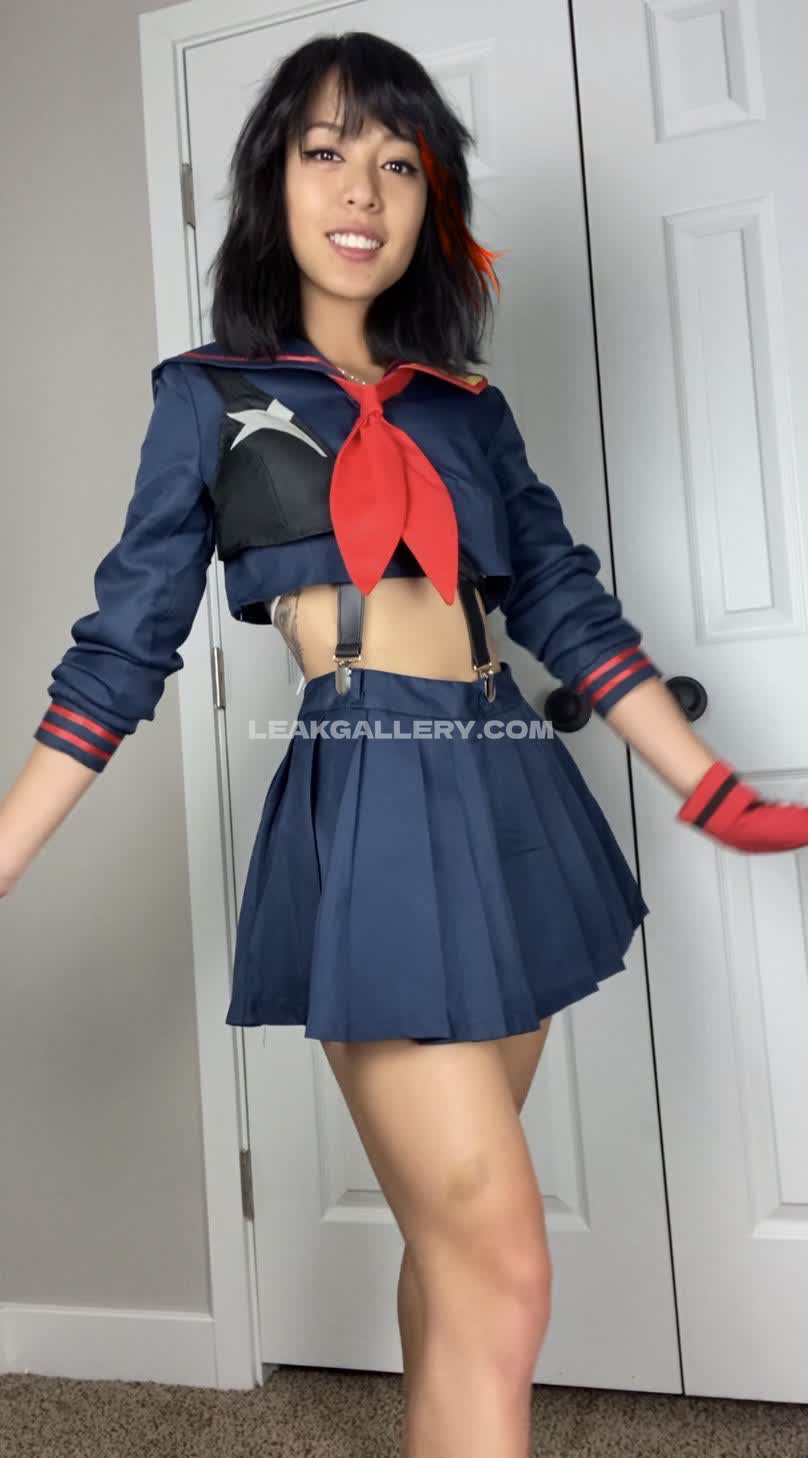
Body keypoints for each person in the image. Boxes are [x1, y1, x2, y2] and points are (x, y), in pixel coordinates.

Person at [3, 30, 808, 1458]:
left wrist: (714, 792)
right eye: (327, 152)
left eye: (399, 162)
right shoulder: (205, 395)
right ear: (273, 181)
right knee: (503, 1257)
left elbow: (563, 602)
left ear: (433, 201)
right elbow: (122, 648)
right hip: (371, 791)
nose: (363, 189)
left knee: (457, 1249)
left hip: (513, 792)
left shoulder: (467, 407)